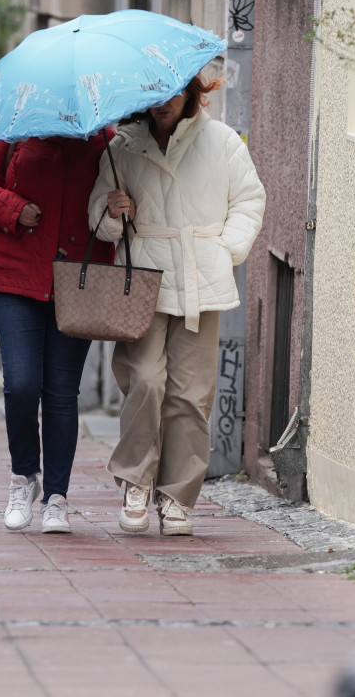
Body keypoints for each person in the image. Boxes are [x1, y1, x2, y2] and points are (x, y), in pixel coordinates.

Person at [87, 73, 265, 536]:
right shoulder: (123, 146)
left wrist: (225, 250)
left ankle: (176, 496)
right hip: (142, 279)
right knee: (144, 380)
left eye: (171, 92)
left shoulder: (222, 141)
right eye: (153, 93)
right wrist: (112, 211)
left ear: (191, 92)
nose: (162, 102)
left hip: (199, 279)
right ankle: (135, 482)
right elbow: (97, 218)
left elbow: (249, 200)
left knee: (191, 392)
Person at [0, 133, 115, 534]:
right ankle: (24, 476)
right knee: (21, 383)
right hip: (17, 276)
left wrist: (119, 208)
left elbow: (124, 203)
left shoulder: (106, 142)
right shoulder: (14, 132)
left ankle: (57, 499)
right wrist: (14, 209)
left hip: (78, 280)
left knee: (62, 393)